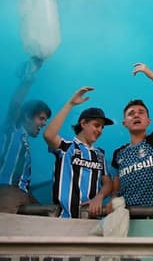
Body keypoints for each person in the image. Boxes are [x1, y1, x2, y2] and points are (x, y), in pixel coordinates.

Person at [109, 63, 153, 209]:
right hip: (127, 219)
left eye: (141, 112)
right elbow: (115, 189)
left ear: (148, 121)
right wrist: (113, 201)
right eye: (131, 114)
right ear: (124, 123)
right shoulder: (118, 154)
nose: (136, 115)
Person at [43, 87, 114, 218]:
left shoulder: (99, 154)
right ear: (83, 123)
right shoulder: (67, 146)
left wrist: (99, 197)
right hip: (64, 220)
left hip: (91, 222)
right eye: (97, 125)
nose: (100, 130)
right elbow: (48, 135)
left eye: (102, 127)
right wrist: (70, 104)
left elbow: (108, 183)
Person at [0, 57, 51, 213]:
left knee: (49, 214)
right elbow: (16, 103)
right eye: (41, 118)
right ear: (27, 116)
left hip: (23, 193)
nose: (43, 124)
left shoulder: (24, 140)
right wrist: (29, 76)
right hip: (7, 190)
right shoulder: (12, 128)